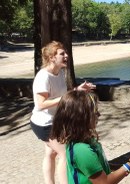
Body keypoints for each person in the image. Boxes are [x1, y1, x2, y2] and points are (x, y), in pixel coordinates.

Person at [30, 41, 95, 184]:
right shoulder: (43, 77)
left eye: (65, 53)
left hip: (54, 121)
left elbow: (62, 96)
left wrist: (77, 90)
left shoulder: (59, 73)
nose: (67, 55)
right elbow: (40, 104)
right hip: (43, 124)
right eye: (62, 54)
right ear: (52, 57)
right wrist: (66, 98)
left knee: (50, 153)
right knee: (65, 153)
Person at [50, 91, 130, 183]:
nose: (99, 115)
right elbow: (104, 182)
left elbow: (98, 166)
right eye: (95, 112)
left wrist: (128, 163)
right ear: (81, 118)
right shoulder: (82, 150)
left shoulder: (86, 140)